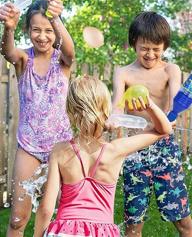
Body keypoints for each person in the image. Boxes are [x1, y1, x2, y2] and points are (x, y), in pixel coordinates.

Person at [33, 75, 172, 236]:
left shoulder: (60, 151)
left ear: (70, 111)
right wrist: (149, 106)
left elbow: (46, 208)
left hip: (65, 230)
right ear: (106, 110)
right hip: (103, 231)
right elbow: (164, 130)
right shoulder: (116, 149)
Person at [111, 11, 192, 237]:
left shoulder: (170, 70)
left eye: (156, 49)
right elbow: (117, 108)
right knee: (133, 225)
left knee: (182, 220)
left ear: (165, 47)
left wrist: (168, 115)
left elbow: (173, 108)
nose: (150, 54)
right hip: (135, 150)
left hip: (164, 149)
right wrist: (112, 118)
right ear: (134, 44)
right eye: (144, 48)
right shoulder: (123, 73)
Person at [0, 0, 75, 236]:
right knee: (17, 220)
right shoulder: (24, 60)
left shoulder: (62, 62)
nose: (43, 36)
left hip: (60, 148)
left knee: (50, 217)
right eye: (36, 30)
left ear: (56, 32)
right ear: (28, 30)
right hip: (29, 147)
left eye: (48, 30)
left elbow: (71, 51)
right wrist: (8, 29)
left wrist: (56, 18)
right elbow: (8, 52)